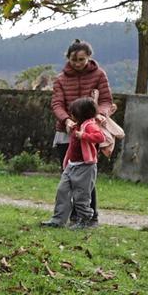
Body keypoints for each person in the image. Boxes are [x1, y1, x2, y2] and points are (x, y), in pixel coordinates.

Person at [49, 40, 114, 222]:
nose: (77, 63)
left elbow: (106, 100)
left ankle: (89, 217)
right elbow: (57, 104)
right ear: (68, 58)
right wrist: (67, 120)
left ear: (89, 58)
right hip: (66, 132)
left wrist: (100, 114)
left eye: (81, 59)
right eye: (73, 59)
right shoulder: (61, 79)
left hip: (89, 132)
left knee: (85, 179)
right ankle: (66, 217)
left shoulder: (99, 75)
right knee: (67, 178)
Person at [43, 97, 108, 230]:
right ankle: (58, 219)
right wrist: (71, 128)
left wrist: (83, 136)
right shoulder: (78, 125)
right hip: (71, 165)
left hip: (85, 167)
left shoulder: (90, 125)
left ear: (82, 114)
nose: (71, 115)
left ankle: (85, 219)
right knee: (62, 191)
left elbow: (100, 137)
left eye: (74, 113)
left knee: (81, 196)